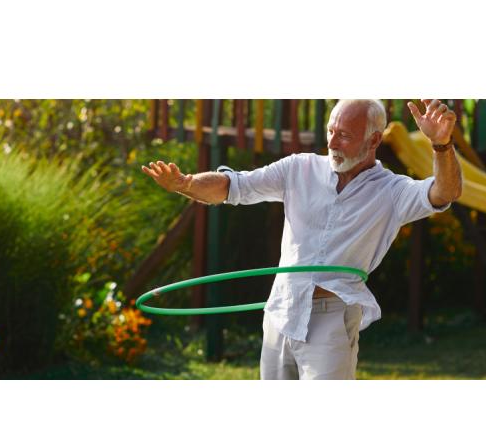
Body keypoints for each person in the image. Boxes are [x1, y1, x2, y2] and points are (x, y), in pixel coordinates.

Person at [141, 99, 462, 380]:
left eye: (345, 135)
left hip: (331, 316)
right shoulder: (299, 168)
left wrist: (442, 145)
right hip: (280, 309)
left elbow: (444, 192)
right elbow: (231, 186)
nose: (333, 142)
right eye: (330, 131)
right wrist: (185, 182)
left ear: (374, 139)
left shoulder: (392, 192)